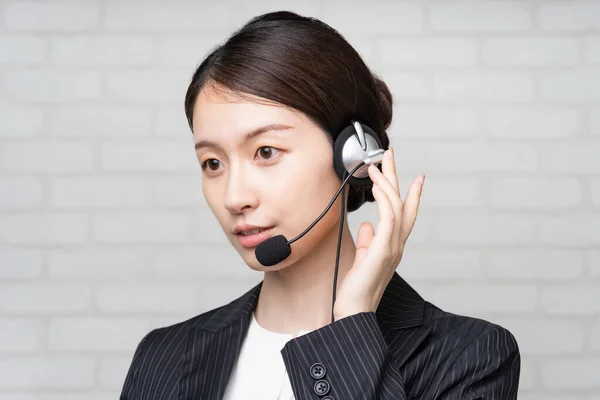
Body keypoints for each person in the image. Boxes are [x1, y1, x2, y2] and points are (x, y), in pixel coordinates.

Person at [119, 11, 520, 400]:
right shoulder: (163, 356)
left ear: (352, 157)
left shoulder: (468, 358)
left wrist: (352, 325)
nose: (234, 197)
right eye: (212, 163)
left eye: (266, 151)